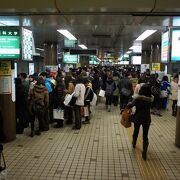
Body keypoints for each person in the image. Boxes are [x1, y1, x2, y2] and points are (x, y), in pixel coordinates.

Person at [127, 84, 154, 160]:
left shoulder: (138, 98)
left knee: (136, 130)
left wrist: (128, 104)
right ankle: (144, 152)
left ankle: (134, 143)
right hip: (146, 118)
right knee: (145, 136)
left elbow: (130, 105)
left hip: (138, 117)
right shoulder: (151, 99)